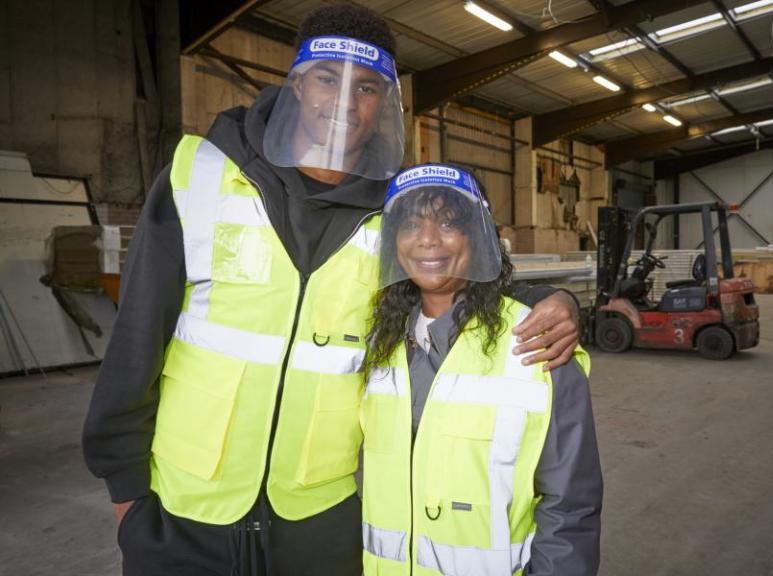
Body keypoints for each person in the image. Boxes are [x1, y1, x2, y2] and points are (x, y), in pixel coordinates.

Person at [81, 6, 581, 576]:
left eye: (367, 87)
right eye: (327, 78)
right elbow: (137, 330)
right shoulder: (202, 172)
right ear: (296, 83)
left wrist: (557, 300)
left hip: (318, 514)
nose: (345, 102)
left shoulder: (394, 210)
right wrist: (126, 491)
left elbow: (465, 278)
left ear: (384, 103)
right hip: (184, 504)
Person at [360, 164, 603, 575]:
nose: (428, 240)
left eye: (450, 223)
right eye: (411, 224)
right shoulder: (377, 343)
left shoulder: (537, 342)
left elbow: (570, 506)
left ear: (479, 236)